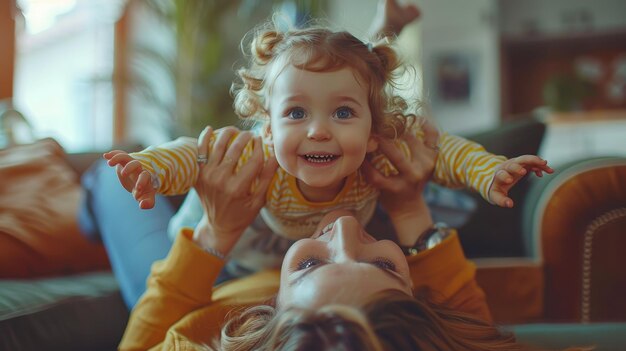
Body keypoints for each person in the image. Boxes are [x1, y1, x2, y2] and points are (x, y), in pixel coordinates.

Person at [103, 11, 553, 243]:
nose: (318, 130)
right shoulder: (258, 155)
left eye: (342, 113)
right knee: (197, 199)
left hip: (323, 255)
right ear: (268, 127)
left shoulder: (380, 154)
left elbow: (446, 152)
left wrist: (489, 171)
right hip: (247, 249)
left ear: (376, 130)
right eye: (296, 113)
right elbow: (192, 153)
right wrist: (151, 169)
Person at [118, 124, 528, 351]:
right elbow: (473, 327)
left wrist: (216, 232)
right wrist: (408, 209)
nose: (345, 226)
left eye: (311, 264)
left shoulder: (212, 338)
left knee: (109, 179)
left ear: (269, 315)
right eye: (383, 264)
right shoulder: (419, 337)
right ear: (419, 303)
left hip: (212, 273)